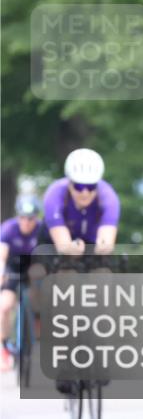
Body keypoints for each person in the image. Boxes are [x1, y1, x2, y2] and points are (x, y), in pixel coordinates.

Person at [38, 149, 121, 256]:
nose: (85, 193)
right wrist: (69, 249)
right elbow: (62, 244)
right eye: (79, 186)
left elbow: (107, 240)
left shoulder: (109, 197)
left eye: (91, 187)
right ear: (69, 183)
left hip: (92, 240)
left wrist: (103, 247)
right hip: (54, 240)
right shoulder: (54, 194)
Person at [0, 195, 42, 371]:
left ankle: (36, 343)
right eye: (23, 217)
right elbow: (2, 255)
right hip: (12, 268)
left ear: (36, 218)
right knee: (4, 306)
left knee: (39, 304)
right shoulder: (8, 228)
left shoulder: (42, 230)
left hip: (33, 267)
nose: (26, 222)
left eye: (30, 218)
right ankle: (4, 347)